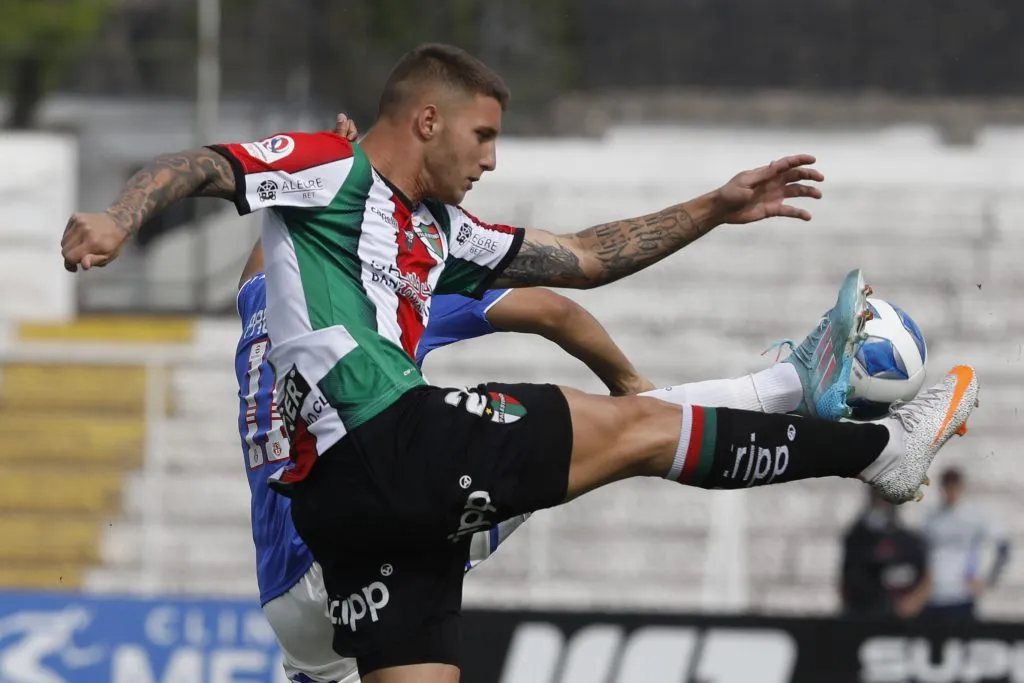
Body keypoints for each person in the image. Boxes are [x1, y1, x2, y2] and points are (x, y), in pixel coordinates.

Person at [62, 42, 977, 683]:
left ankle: (786, 387)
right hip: (386, 448)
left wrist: (714, 206)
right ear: (427, 121)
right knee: (636, 428)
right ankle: (874, 447)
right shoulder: (331, 170)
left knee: (621, 432)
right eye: (484, 136)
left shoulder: (432, 235)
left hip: (351, 533)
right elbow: (205, 164)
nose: (492, 160)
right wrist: (118, 217)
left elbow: (582, 258)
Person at [919, 467, 1010, 622]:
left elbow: (1003, 546)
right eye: (947, 487)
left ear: (960, 488)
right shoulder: (930, 517)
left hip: (961, 594)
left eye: (954, 487)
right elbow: (920, 551)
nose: (950, 492)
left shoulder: (974, 516)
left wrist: (989, 579)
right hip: (933, 595)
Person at [840, 487, 931, 620]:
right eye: (877, 497)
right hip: (865, 614)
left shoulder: (909, 541)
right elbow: (847, 580)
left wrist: (913, 601)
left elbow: (925, 579)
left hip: (898, 618)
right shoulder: (856, 539)